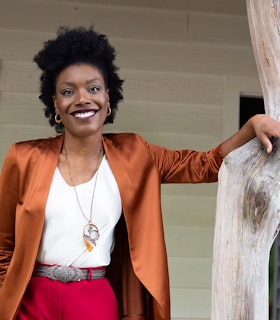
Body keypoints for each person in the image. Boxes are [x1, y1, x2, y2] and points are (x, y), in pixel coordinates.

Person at [0, 26, 280, 320]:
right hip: (32, 301)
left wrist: (251, 126)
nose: (82, 98)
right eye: (68, 91)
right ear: (55, 103)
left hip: (94, 298)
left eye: (93, 88)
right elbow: (3, 248)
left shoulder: (136, 153)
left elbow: (206, 165)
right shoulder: (24, 158)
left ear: (108, 98)